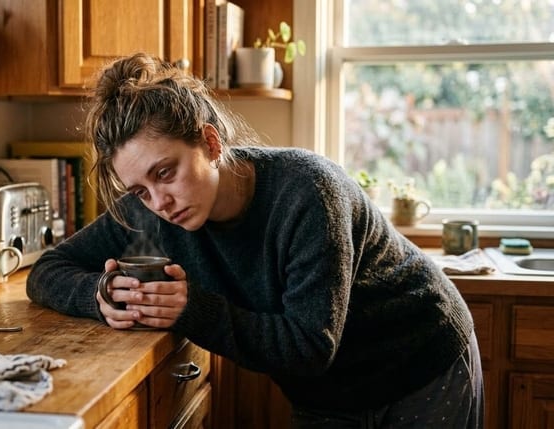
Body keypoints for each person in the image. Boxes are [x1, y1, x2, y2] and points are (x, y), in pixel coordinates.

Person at [26, 52, 484, 428]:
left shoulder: (307, 192)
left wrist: (191, 309)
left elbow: (309, 347)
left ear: (209, 143)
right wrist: (100, 294)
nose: (158, 202)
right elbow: (47, 270)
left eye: (166, 173)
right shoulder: (150, 211)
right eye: (140, 190)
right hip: (326, 397)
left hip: (422, 361)